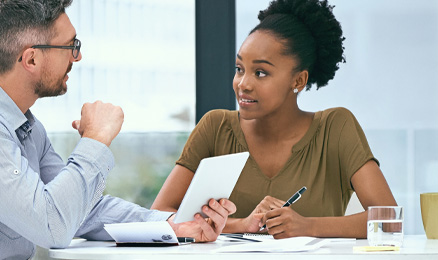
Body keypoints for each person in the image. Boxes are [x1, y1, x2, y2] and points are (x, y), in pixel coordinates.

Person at [0, 0, 235, 259]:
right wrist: (96, 139)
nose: (77, 56)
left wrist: (173, 224)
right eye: (70, 46)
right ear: (31, 58)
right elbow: (53, 226)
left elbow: (81, 211)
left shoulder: (26, 128)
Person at [151, 0, 397, 239]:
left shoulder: (335, 128)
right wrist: (242, 224)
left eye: (260, 72)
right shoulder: (215, 128)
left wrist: (305, 225)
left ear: (298, 81)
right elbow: (158, 215)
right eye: (239, 69)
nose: (243, 84)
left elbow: (390, 221)